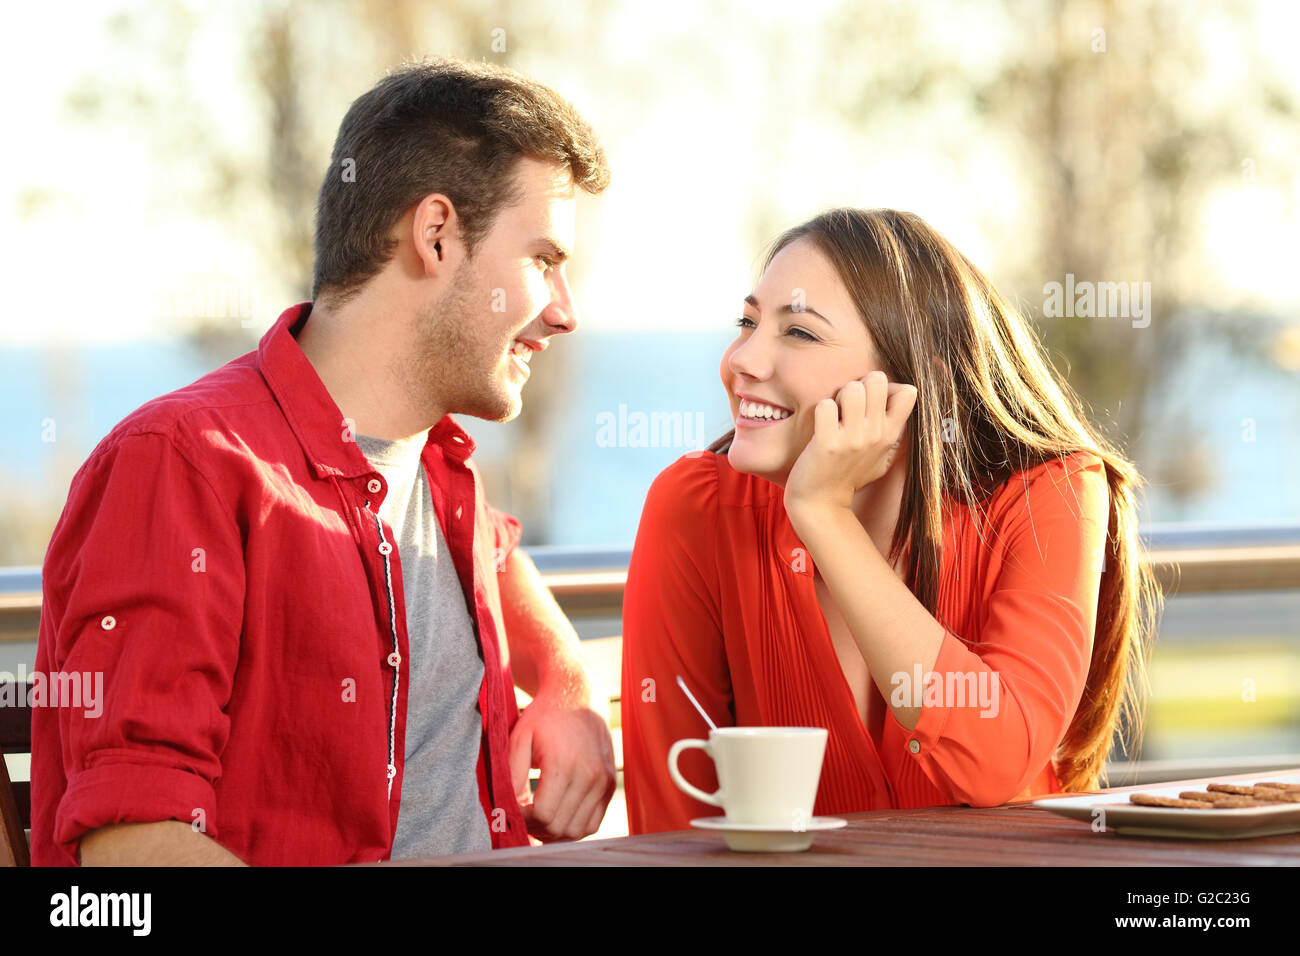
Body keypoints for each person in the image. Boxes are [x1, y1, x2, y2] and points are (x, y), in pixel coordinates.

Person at [32, 57, 616, 866]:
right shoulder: (184, 467)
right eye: (544, 260)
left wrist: (566, 684)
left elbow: (500, 557)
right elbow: (137, 844)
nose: (565, 311)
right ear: (436, 234)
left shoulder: (439, 471)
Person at [621, 207, 1161, 833]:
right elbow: (670, 827)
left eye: (799, 333)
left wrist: (824, 518)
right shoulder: (697, 506)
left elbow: (996, 761)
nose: (743, 358)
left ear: (914, 377)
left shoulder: (1051, 493)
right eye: (747, 322)